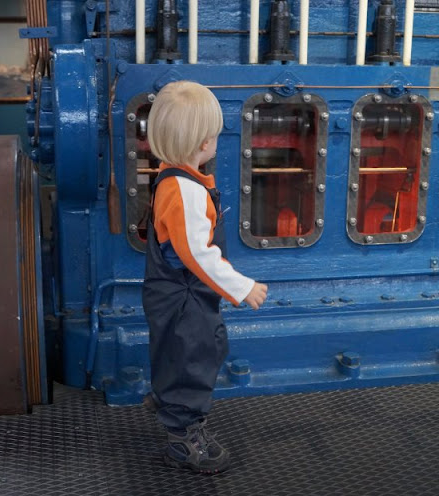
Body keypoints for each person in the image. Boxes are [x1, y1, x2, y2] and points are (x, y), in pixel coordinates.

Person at [142, 80, 268, 474]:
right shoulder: (185, 190)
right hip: (185, 295)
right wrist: (242, 287)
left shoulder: (171, 177)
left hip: (171, 290)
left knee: (175, 352)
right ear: (201, 143)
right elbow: (196, 253)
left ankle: (168, 401)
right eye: (213, 135)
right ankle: (183, 437)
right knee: (196, 356)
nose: (216, 141)